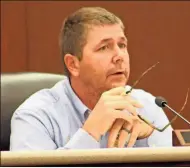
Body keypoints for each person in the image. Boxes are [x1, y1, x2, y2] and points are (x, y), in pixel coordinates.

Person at [10, 7, 172, 151]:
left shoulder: (148, 107)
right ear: (73, 64)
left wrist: (148, 138)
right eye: (104, 47)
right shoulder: (35, 116)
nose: (119, 56)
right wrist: (90, 132)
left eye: (122, 45)